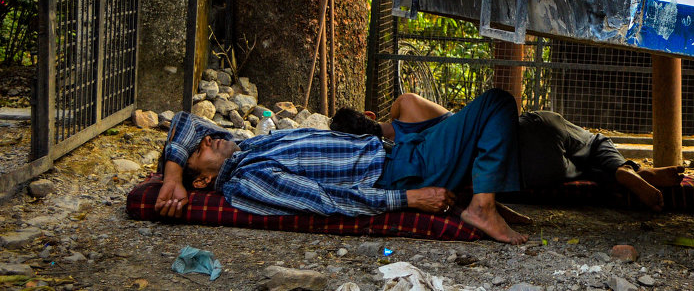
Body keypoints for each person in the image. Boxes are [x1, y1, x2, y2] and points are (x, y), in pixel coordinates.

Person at [155, 88, 527, 244]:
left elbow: (188, 121)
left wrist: (173, 174)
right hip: (401, 169)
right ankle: (482, 207)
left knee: (423, 106)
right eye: (199, 151)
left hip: (401, 148)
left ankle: (478, 189)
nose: (206, 139)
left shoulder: (248, 146)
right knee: (497, 103)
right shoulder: (246, 182)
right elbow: (326, 202)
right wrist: (409, 198)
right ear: (203, 181)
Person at [331, 92, 686, 211]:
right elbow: (457, 120)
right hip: (527, 135)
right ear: (369, 116)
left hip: (523, 178)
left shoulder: (391, 172)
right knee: (593, 143)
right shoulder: (406, 106)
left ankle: (628, 174)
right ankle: (627, 170)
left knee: (584, 167)